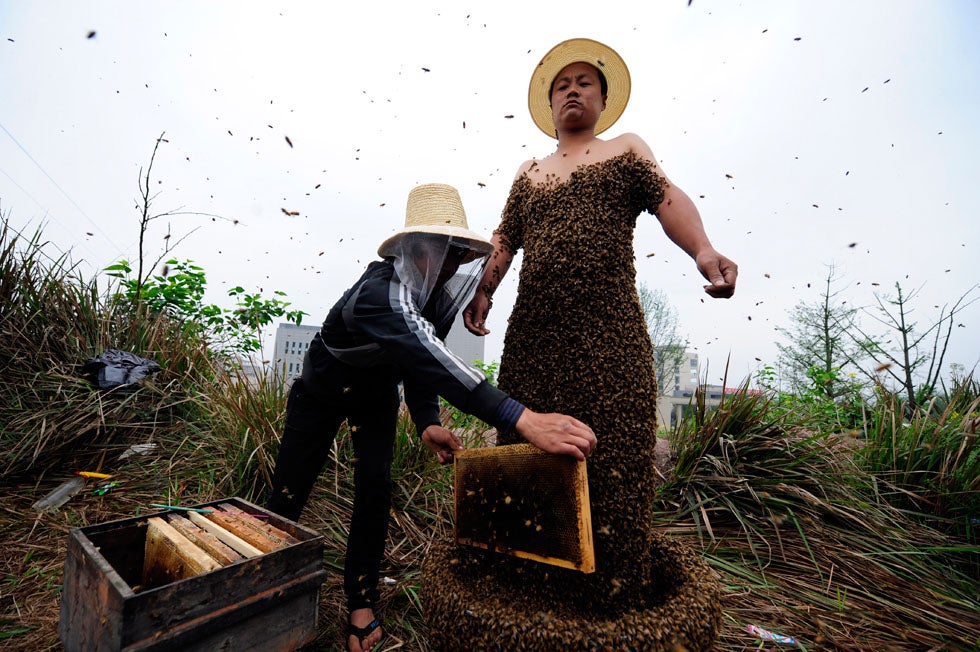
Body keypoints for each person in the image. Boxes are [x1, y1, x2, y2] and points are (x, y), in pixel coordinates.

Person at [461, 38, 738, 608]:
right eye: (562, 84)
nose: (572, 91)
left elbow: (668, 200)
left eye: (584, 82)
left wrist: (703, 250)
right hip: (533, 344)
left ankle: (610, 602)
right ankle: (532, 600)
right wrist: (483, 291)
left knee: (612, 469)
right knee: (529, 466)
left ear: (604, 99)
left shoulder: (624, 151)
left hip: (611, 341)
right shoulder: (530, 172)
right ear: (550, 103)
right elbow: (504, 239)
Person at [265, 183, 597, 652]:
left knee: (375, 490)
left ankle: (361, 600)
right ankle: (262, 588)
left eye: (457, 254)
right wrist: (520, 418)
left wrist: (426, 421)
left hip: (376, 396)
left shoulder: (432, 296)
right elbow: (431, 358)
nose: (448, 265)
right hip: (321, 390)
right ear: (411, 248)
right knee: (289, 489)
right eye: (439, 251)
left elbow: (420, 367)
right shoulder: (382, 293)